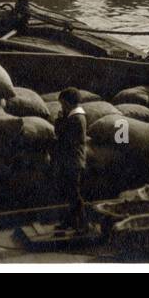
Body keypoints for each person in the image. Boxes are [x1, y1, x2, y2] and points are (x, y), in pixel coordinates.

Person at [52, 86, 89, 230]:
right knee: (69, 193)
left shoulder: (76, 119)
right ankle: (70, 222)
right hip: (71, 160)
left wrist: (59, 120)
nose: (62, 107)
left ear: (68, 103)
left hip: (73, 162)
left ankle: (83, 224)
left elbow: (62, 135)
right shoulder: (75, 117)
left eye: (62, 104)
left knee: (74, 194)